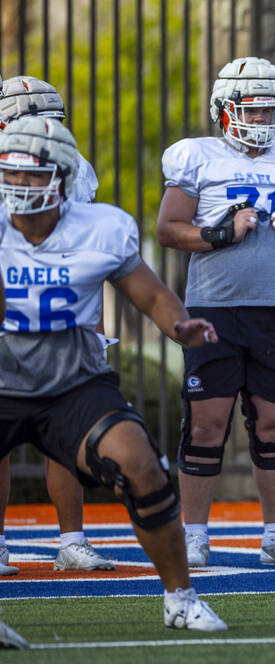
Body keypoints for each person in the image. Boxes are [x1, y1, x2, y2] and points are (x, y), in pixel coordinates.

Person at [0, 116, 225, 630]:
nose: (19, 185)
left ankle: (180, 597)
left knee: (143, 466)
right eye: (11, 174)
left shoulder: (99, 227)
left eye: (33, 175)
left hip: (73, 383)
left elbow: (149, 294)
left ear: (62, 178)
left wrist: (180, 326)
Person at [156, 56, 275, 568]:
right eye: (250, 111)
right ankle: (194, 535)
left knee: (274, 422)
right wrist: (218, 233)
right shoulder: (198, 157)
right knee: (208, 424)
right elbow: (168, 229)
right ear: (225, 111)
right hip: (215, 306)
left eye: (269, 110)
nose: (261, 120)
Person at [0, 75, 111, 574]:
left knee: (67, 432)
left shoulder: (74, 167)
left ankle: (72, 539)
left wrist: (96, 324)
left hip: (60, 311)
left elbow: (90, 252)